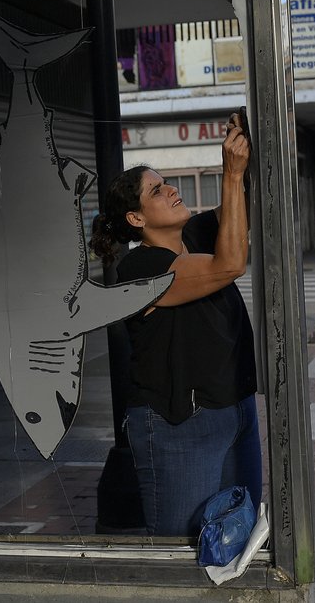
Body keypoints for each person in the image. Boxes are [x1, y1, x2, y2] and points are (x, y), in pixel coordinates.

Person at [88, 111, 260, 536]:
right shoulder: (139, 269)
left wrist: (250, 144)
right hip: (182, 425)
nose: (172, 189)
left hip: (236, 410)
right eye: (157, 190)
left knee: (237, 539)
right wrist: (230, 174)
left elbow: (248, 204)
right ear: (136, 219)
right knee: (183, 550)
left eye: (167, 183)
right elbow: (229, 264)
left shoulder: (199, 234)